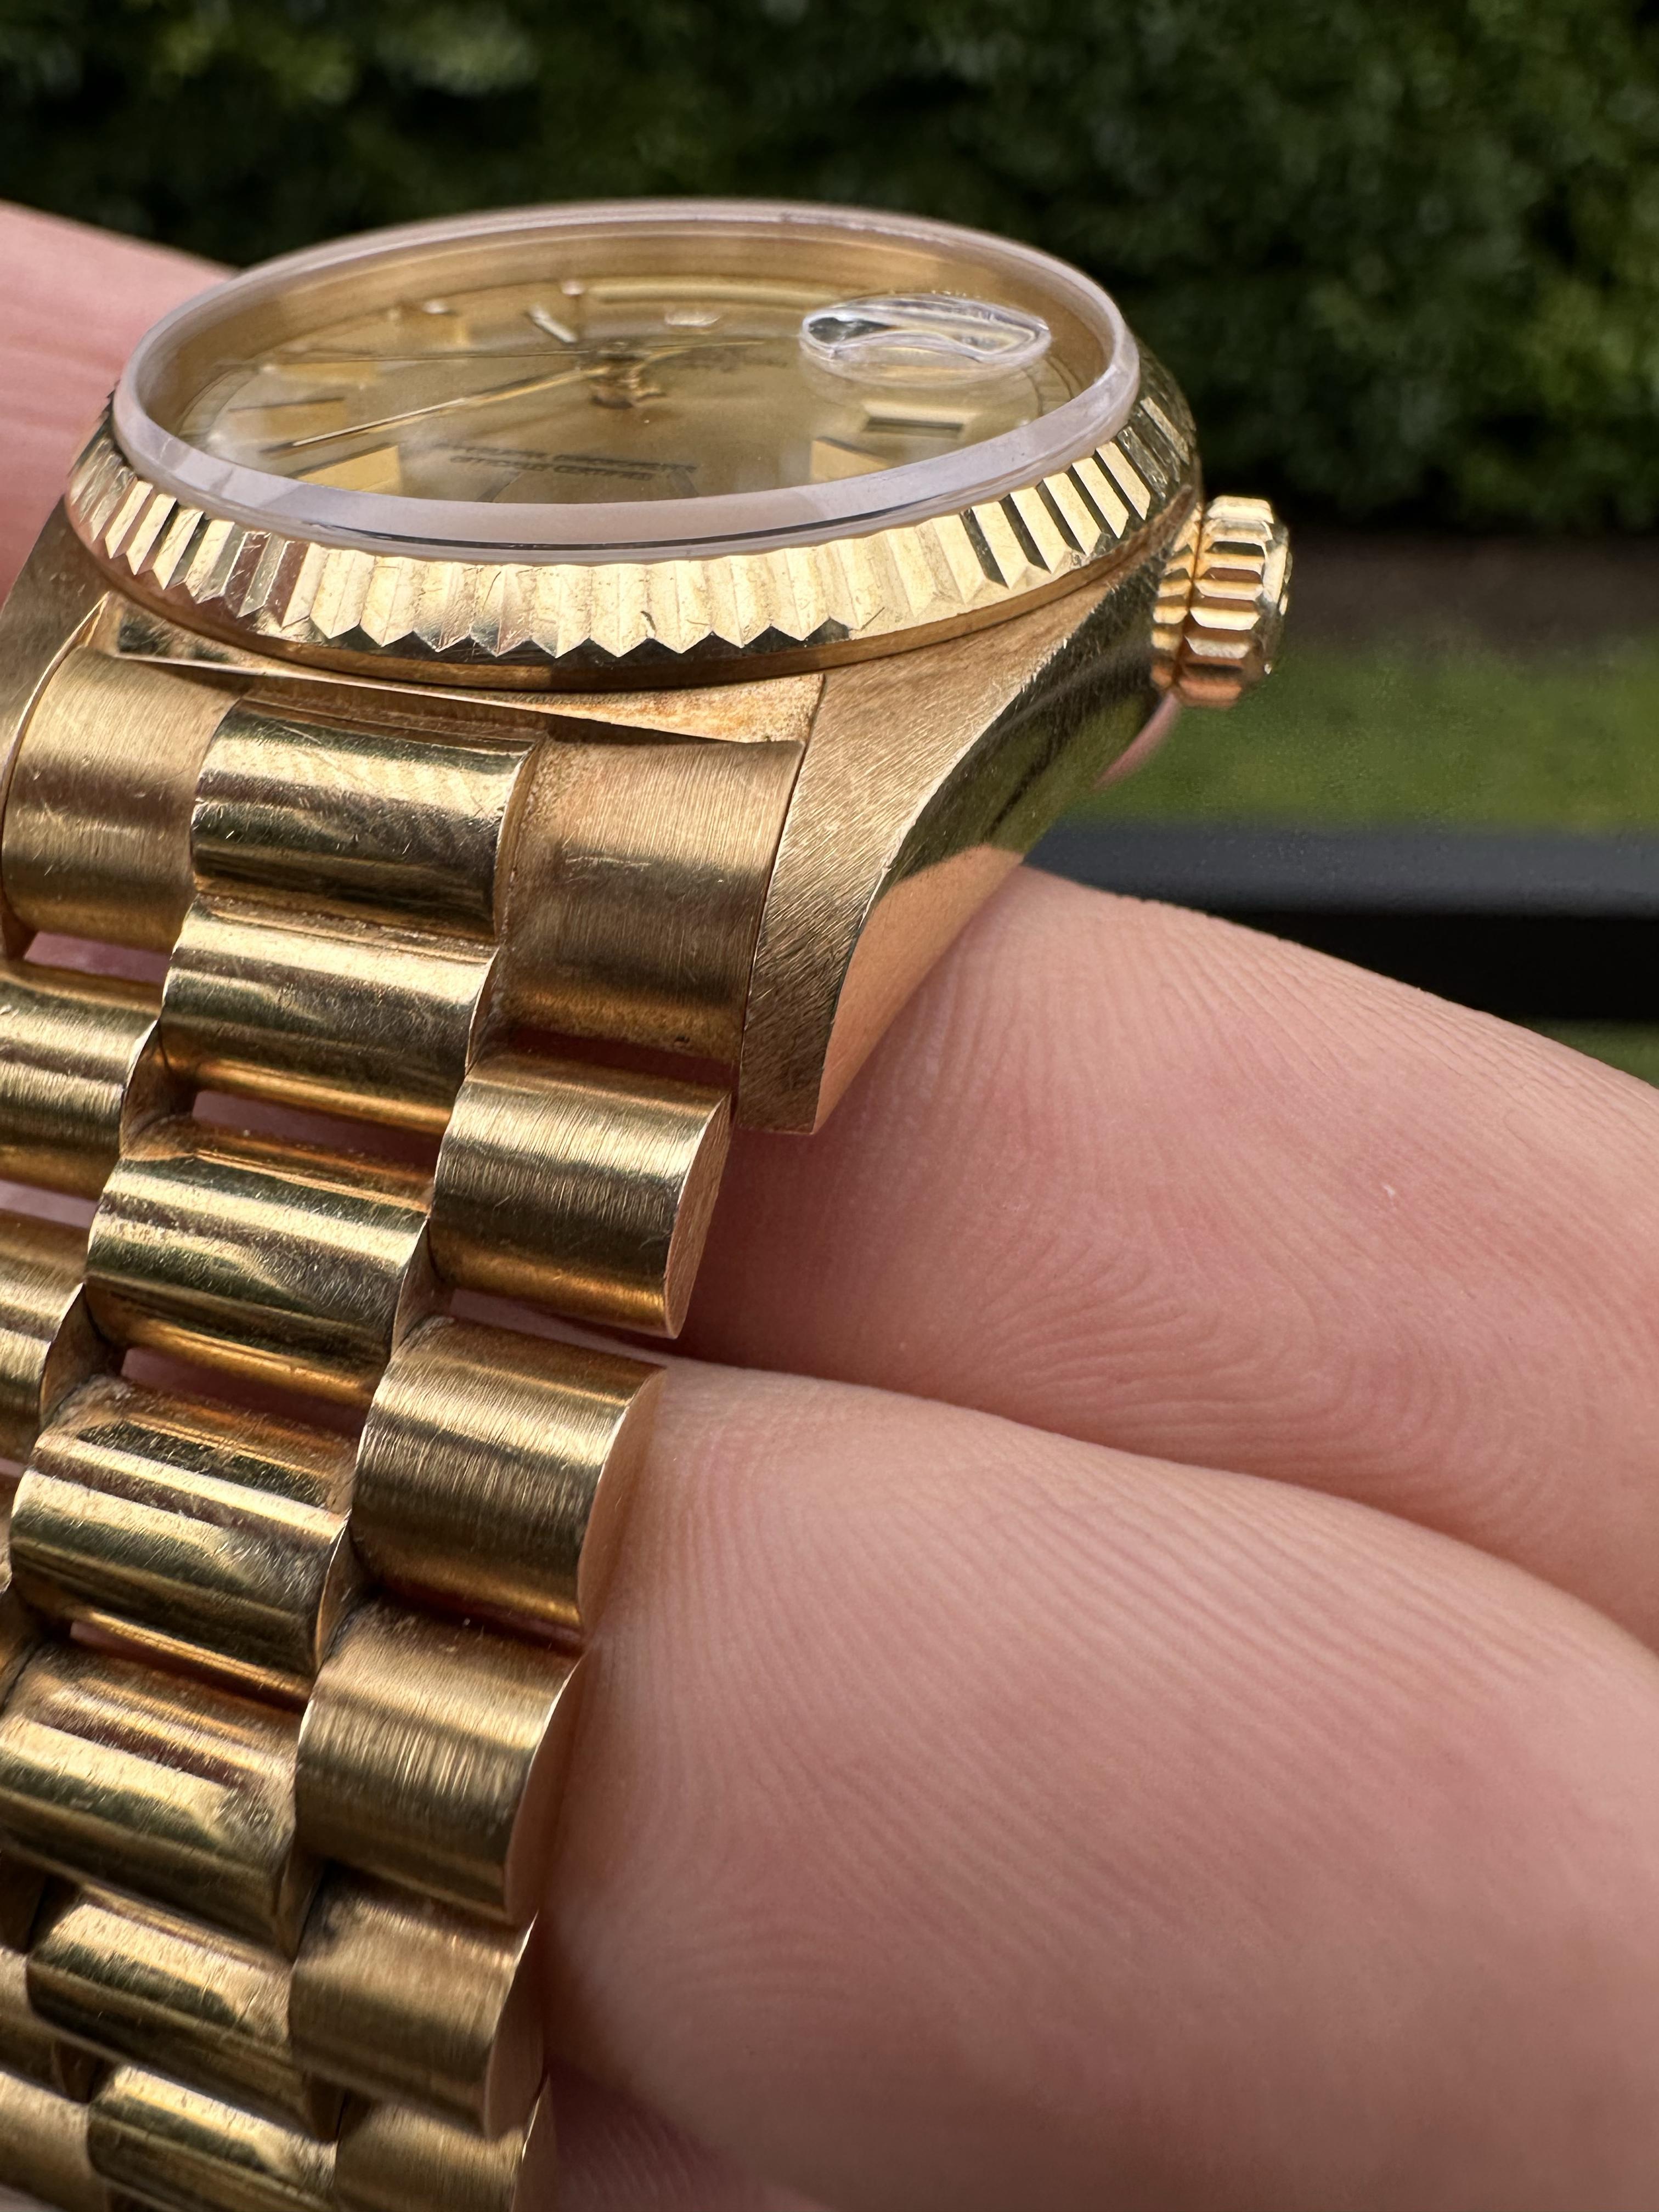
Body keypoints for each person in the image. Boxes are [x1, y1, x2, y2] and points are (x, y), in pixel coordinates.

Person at [6, 200, 1659, 2212]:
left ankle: (247, 2081)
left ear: (1194, 596)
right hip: (203, 629)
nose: (618, 386)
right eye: (584, 366)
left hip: (684, 733)